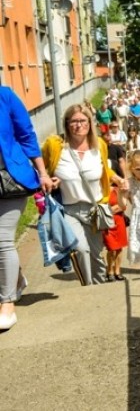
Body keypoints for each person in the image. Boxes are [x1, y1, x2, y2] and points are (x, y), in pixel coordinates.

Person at [43, 104, 130, 286]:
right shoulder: (55, 146)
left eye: (83, 120)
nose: (79, 125)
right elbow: (41, 169)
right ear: (67, 124)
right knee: (81, 249)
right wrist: (50, 180)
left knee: (96, 254)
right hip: (69, 210)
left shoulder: (99, 145)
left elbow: (104, 169)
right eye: (74, 121)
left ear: (90, 123)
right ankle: (87, 288)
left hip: (95, 210)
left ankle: (99, 289)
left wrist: (118, 179)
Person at [0, 86, 54, 329]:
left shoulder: (5, 96)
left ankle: (7, 304)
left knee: (2, 240)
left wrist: (42, 172)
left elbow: (26, 135)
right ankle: (17, 279)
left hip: (9, 178)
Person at [103, 182, 128, 282]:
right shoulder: (100, 190)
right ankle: (110, 271)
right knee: (111, 248)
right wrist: (114, 208)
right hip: (107, 223)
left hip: (119, 221)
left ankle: (117, 271)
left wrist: (108, 210)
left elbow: (124, 206)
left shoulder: (118, 190)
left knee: (119, 248)